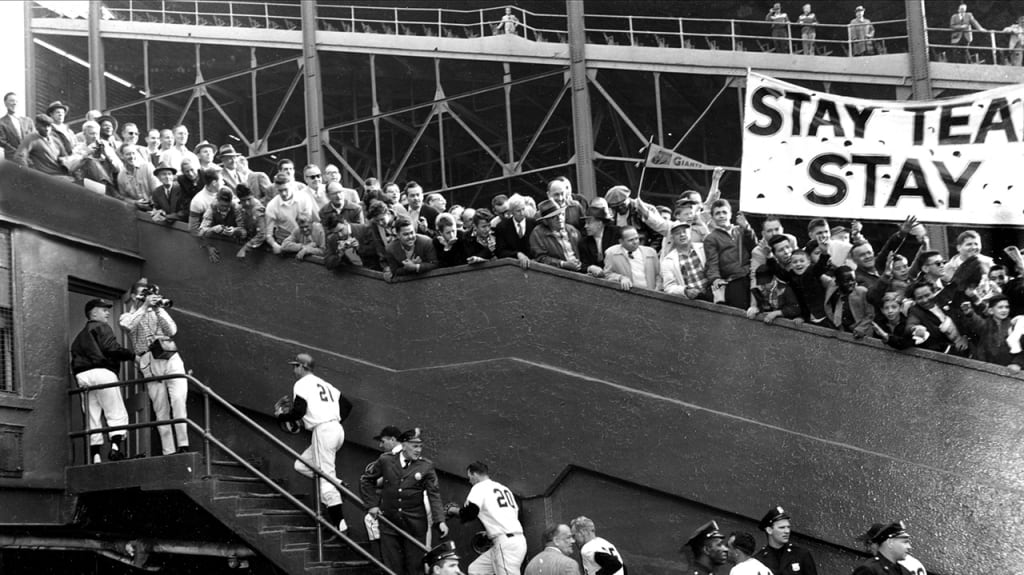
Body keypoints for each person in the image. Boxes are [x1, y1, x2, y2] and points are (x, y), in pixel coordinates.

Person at [275, 353, 348, 538]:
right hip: (336, 430)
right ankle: (339, 483)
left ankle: (341, 528)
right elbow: (347, 405)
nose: (293, 370)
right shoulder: (324, 383)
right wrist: (332, 419)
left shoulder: (302, 383)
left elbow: (299, 411)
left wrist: (281, 417)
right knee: (301, 464)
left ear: (302, 367)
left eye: (295, 366)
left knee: (325, 480)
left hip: (323, 431)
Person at [360, 428, 449, 575]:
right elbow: (366, 480)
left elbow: (434, 494)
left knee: (415, 568)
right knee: (392, 568)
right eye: (415, 446)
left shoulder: (426, 466)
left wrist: (440, 520)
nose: (418, 450)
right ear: (403, 445)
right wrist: (372, 505)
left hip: (414, 526)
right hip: (390, 523)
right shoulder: (386, 460)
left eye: (420, 446)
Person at [119, 278, 189, 456]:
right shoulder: (128, 315)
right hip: (149, 361)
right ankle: (169, 450)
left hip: (170, 357)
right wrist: (143, 307)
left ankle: (183, 444)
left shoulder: (157, 311)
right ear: (134, 296)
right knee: (161, 408)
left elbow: (172, 330)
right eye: (144, 294)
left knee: (179, 400)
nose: (148, 297)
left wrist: (158, 308)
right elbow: (127, 325)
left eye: (149, 294)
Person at [70, 298, 136, 464]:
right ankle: (115, 449)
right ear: (93, 312)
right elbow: (111, 348)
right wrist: (132, 355)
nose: (107, 312)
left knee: (92, 416)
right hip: (102, 372)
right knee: (116, 412)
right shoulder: (101, 326)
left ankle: (95, 456)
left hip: (83, 377)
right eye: (103, 309)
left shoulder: (78, 338)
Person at [446, 461, 526, 575]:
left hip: (505, 543)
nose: (469, 480)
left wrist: (452, 510)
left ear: (474, 474)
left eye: (469, 477)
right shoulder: (503, 488)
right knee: (476, 570)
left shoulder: (479, 487)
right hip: (513, 541)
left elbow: (468, 514)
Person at [705, 200, 756, 308]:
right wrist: (715, 279)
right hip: (733, 280)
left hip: (750, 275)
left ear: (730, 214)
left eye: (724, 212)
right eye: (717, 213)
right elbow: (712, 262)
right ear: (712, 217)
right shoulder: (711, 238)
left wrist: (747, 228)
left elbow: (754, 247)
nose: (721, 216)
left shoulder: (740, 230)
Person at [753, 506, 818, 575]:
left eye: (788, 527)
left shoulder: (801, 555)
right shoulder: (759, 560)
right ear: (769, 530)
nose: (787, 531)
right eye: (782, 528)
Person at [661, 221, 711, 300]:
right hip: (691, 301)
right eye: (677, 233)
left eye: (685, 231)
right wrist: (685, 291)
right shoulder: (668, 261)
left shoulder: (703, 248)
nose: (682, 235)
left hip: (712, 294)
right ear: (672, 237)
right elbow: (668, 287)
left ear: (690, 232)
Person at [529, 199, 582, 271]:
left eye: (561, 214)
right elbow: (541, 258)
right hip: (557, 275)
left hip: (580, 272)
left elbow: (584, 252)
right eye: (554, 217)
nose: (559, 218)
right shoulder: (537, 234)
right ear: (545, 221)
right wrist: (563, 264)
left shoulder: (572, 230)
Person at [603, 226, 661, 291]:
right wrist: (620, 278)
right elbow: (607, 274)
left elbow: (659, 275)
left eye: (636, 238)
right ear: (621, 241)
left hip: (651, 294)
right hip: (628, 295)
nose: (635, 242)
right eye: (630, 240)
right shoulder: (612, 253)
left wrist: (657, 289)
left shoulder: (650, 252)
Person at [14, 114, 69, 179]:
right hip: (45, 177)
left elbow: (66, 158)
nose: (47, 129)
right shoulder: (31, 139)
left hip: (61, 175)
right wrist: (28, 174)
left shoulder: (56, 140)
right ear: (37, 126)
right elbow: (19, 157)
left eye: (49, 126)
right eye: (44, 126)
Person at [494, 193, 536, 269]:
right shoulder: (502, 227)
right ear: (511, 212)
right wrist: (517, 254)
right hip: (512, 267)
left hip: (534, 265)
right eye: (518, 211)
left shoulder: (533, 223)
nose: (522, 213)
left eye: (523, 209)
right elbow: (500, 251)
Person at [0, 92, 33, 160]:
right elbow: (2, 142)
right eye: (11, 101)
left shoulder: (28, 121)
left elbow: (34, 138)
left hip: (30, 158)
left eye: (16, 101)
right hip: (13, 159)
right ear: (5, 103)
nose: (14, 103)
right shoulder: (1, 122)